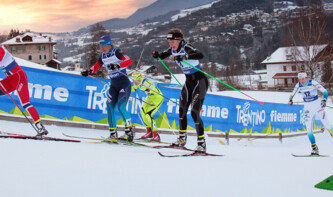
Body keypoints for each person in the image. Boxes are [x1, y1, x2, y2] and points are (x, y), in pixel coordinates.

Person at [152, 28, 209, 152]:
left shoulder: (186, 47)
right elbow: (162, 55)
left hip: (200, 81)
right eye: (169, 42)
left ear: (179, 40)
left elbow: (200, 54)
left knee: (194, 112)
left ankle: (201, 143)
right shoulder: (172, 49)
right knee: (182, 110)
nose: (170, 44)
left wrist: (185, 56)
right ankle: (182, 139)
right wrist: (157, 55)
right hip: (188, 82)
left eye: (172, 41)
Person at [81, 35, 133, 142]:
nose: (102, 48)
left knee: (121, 106)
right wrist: (88, 71)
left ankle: (129, 132)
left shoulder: (117, 52)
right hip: (114, 84)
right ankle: (113, 133)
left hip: (123, 82)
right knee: (109, 106)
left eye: (104, 45)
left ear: (109, 44)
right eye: (101, 45)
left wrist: (118, 65)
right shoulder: (103, 56)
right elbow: (96, 65)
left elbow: (129, 61)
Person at [0, 45, 48, 136]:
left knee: (25, 103)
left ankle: (40, 126)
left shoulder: (0, 49)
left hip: (19, 77)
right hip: (11, 79)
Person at [289, 71, 333, 155]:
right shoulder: (298, 85)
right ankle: (314, 148)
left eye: (303, 79)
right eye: (300, 79)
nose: (302, 81)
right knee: (309, 130)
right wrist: (290, 99)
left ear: (306, 78)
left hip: (317, 106)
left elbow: (325, 92)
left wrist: (324, 100)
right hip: (308, 108)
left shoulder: (313, 83)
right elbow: (292, 94)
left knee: (327, 126)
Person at [131, 72, 164, 142]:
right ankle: (149, 132)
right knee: (143, 112)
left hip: (157, 97)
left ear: (139, 79)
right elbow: (134, 89)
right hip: (150, 97)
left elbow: (154, 91)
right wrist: (126, 89)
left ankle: (156, 135)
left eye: (135, 80)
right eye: (133, 80)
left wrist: (147, 89)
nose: (134, 82)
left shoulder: (146, 82)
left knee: (148, 114)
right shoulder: (137, 82)